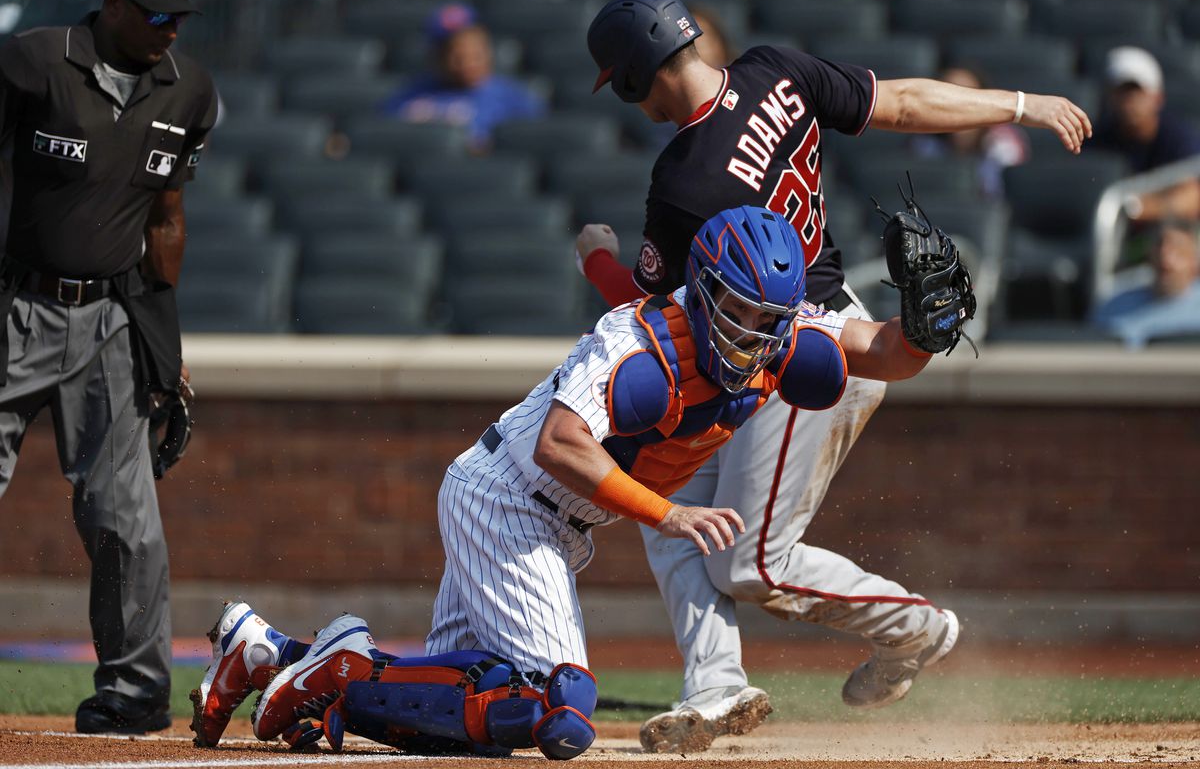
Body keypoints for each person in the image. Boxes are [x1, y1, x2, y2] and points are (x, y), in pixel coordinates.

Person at [190, 203, 968, 758]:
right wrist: (667, 515)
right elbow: (564, 444)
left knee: (472, 717)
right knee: (558, 713)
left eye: (769, 316)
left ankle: (267, 651)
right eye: (736, 307)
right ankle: (344, 669)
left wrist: (925, 330)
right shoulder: (634, 344)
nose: (752, 330)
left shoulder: (783, 336)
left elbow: (884, 352)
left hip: (553, 525)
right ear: (702, 289)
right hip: (508, 501)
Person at [578, 0, 1091, 753]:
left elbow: (647, 308)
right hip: (817, 330)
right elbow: (908, 102)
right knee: (672, 510)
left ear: (630, 76)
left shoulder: (684, 179)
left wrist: (593, 258)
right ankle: (715, 688)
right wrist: (1020, 104)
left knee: (753, 565)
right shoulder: (773, 71)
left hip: (799, 354)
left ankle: (916, 626)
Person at [0, 0, 215, 734]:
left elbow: (167, 220)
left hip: (109, 321)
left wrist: (166, 344)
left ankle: (134, 691)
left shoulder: (188, 91)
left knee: (124, 514)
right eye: (157, 14)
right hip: (16, 305)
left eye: (180, 16)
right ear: (114, 3)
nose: (171, 29)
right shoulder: (34, 59)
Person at [377, 2, 545, 152]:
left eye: (475, 52)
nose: (467, 61)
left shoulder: (514, 100)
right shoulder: (409, 95)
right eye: (455, 54)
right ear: (436, 57)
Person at [1089, 46, 1200, 224]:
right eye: (1121, 92)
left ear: (1157, 98)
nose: (1129, 101)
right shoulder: (1096, 141)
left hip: (1167, 229)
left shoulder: (1179, 138)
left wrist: (1136, 208)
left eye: (1136, 91)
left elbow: (1191, 199)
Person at [909, 65, 1029, 199]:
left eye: (967, 96)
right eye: (947, 96)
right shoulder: (923, 145)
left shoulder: (1005, 142)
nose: (958, 105)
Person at [1093, 221, 1200, 348]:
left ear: (1194, 261)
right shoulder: (1114, 307)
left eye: (1178, 250)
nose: (1165, 259)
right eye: (1159, 246)